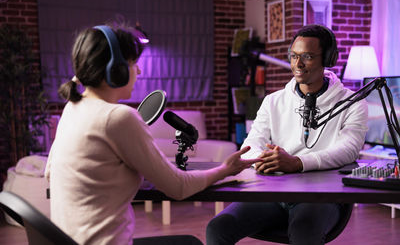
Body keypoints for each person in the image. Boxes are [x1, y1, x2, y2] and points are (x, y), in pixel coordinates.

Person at [44, 22, 263, 245]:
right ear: (116, 70)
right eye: (133, 63)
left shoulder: (72, 107)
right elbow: (179, 187)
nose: (138, 71)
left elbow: (51, 171)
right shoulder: (119, 117)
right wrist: (225, 169)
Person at [206, 24, 368, 245]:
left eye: (307, 57)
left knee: (304, 231)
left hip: (321, 197)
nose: (297, 64)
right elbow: (252, 143)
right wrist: (261, 159)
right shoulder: (273, 101)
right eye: (294, 56)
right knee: (218, 227)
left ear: (328, 58)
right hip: (272, 193)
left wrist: (297, 163)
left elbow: (349, 149)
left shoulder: (353, 102)